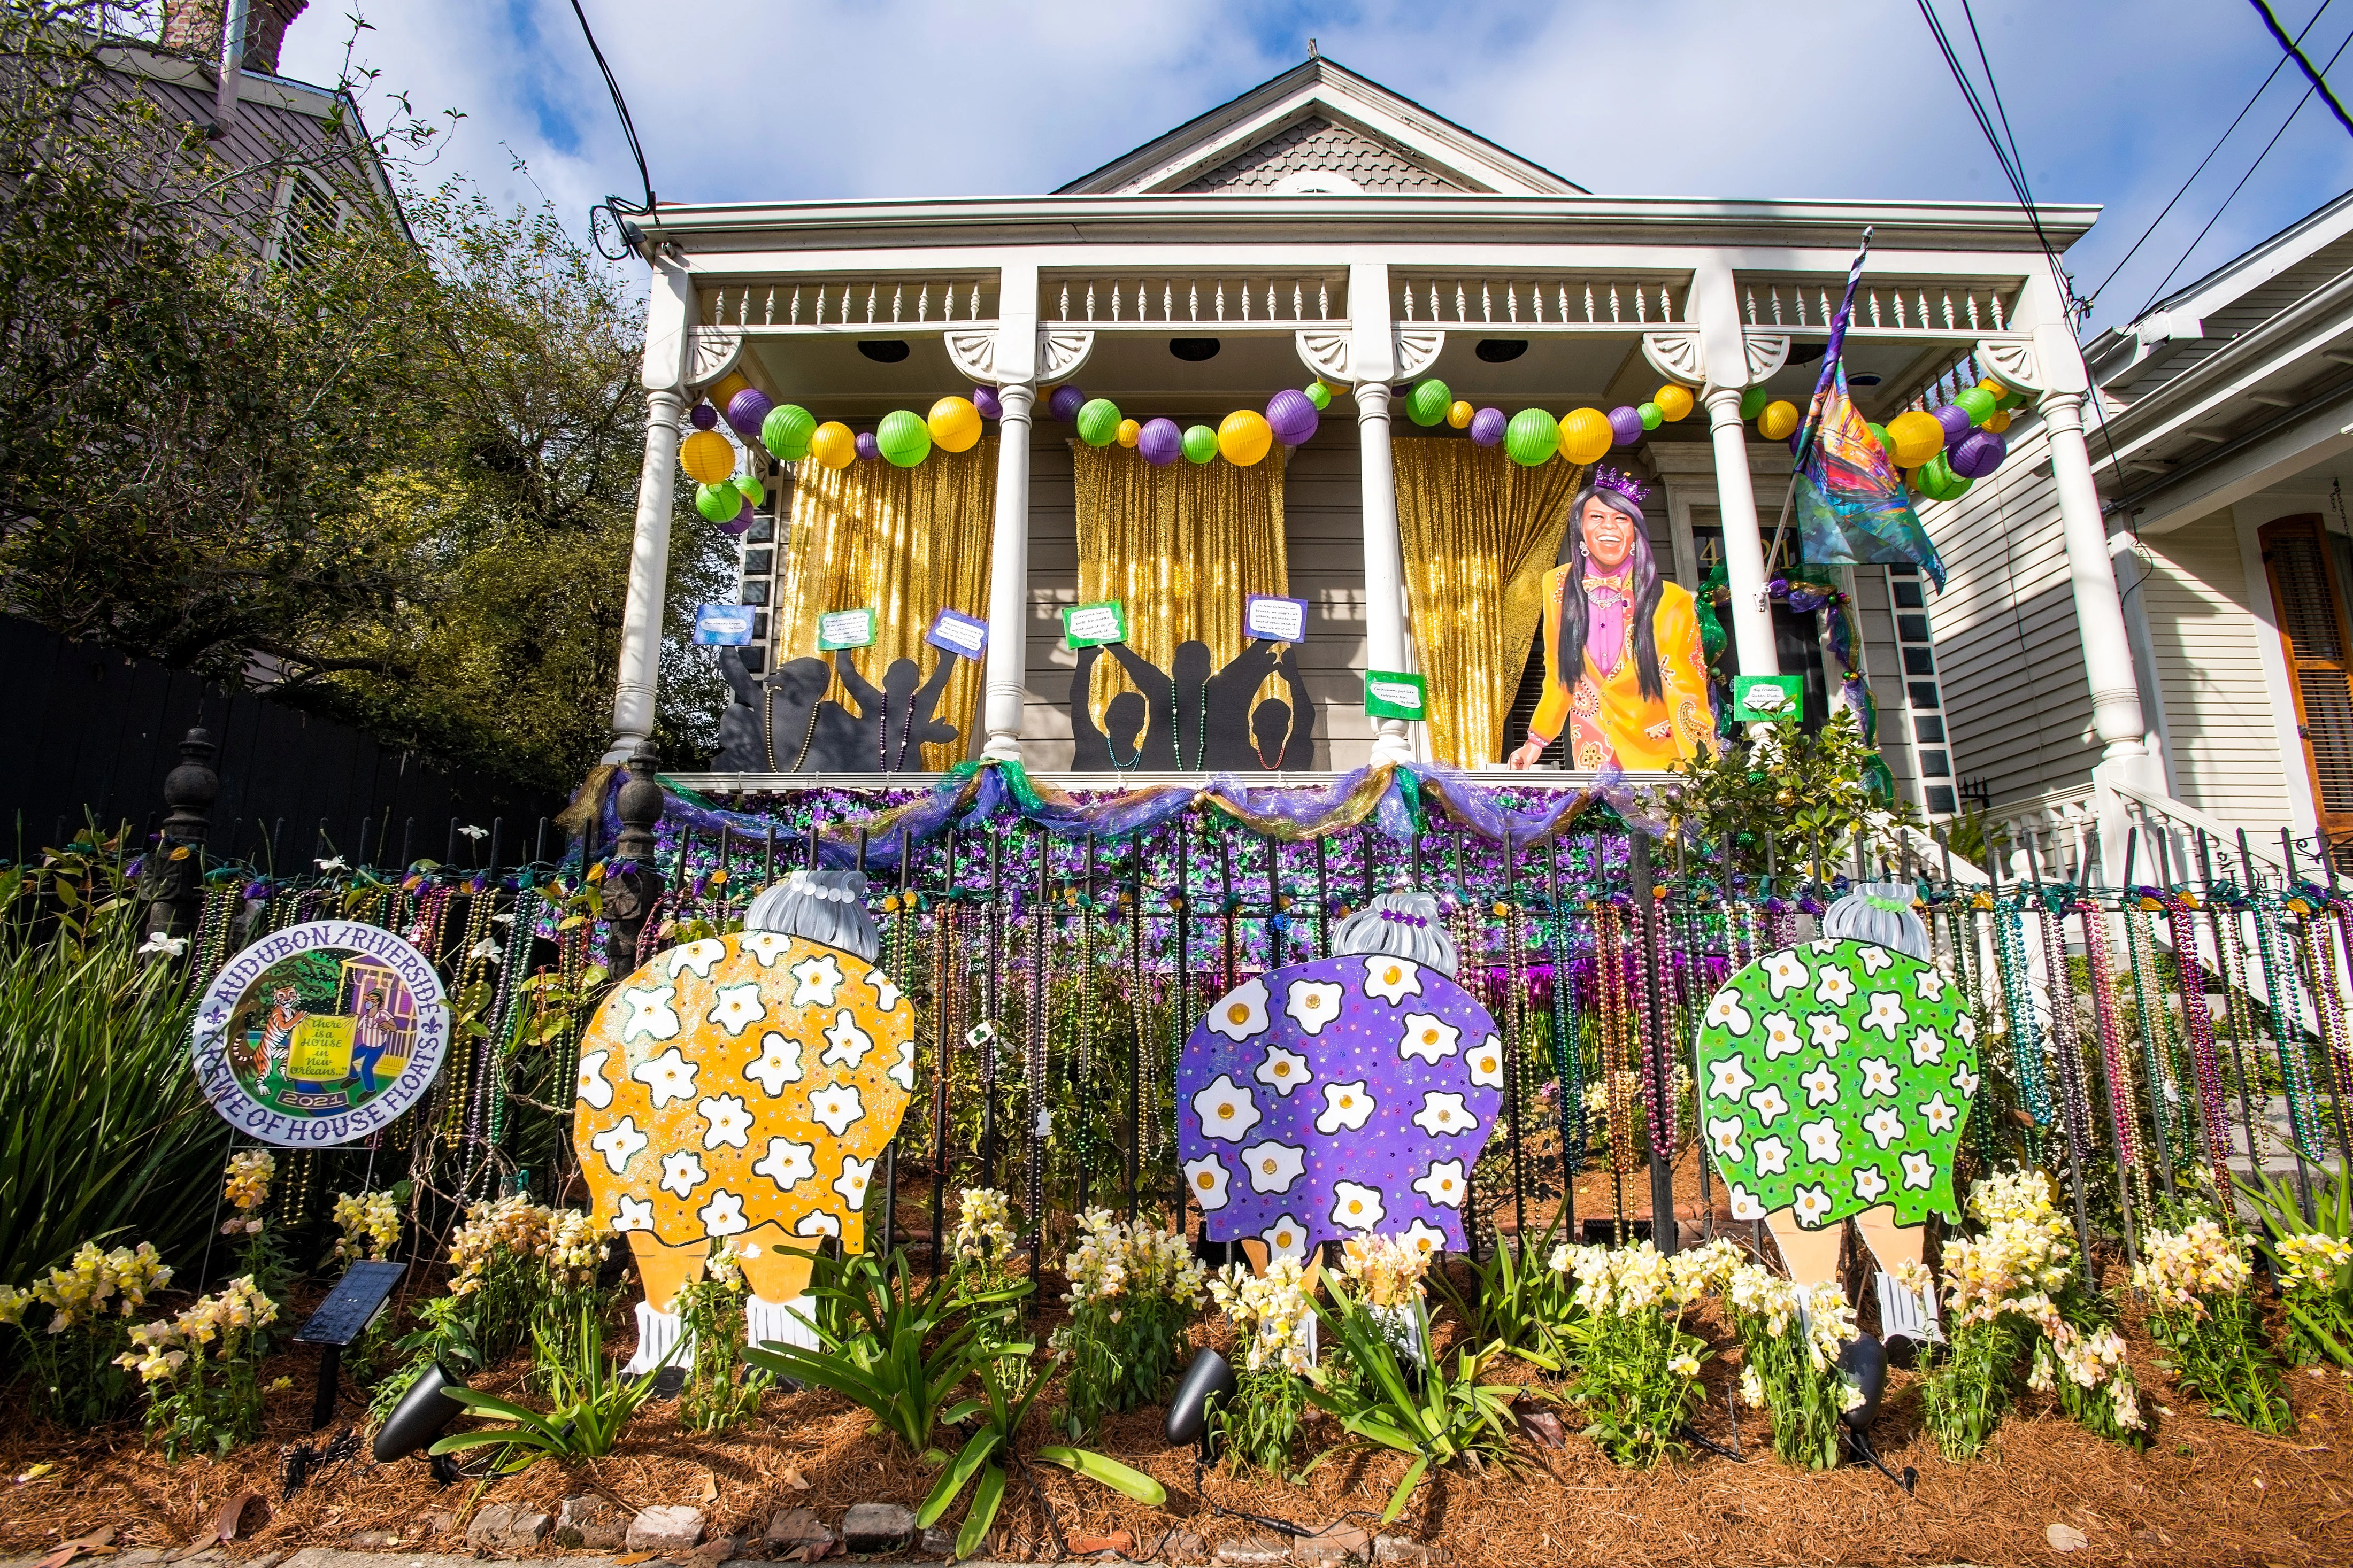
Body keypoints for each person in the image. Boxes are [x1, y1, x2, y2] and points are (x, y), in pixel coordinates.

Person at [1508, 466, 1713, 771]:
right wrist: (1535, 742)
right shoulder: (1558, 586)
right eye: (1597, 517)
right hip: (1594, 756)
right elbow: (1559, 674)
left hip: (1659, 758)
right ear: (1580, 527)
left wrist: (1702, 766)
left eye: (1621, 519)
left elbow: (1685, 686)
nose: (1610, 528)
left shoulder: (1672, 600)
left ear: (1635, 533)